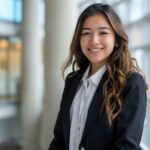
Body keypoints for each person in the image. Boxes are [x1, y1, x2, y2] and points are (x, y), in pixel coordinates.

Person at [49, 3, 148, 150]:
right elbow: (59, 138)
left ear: (116, 39)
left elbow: (126, 146)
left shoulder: (132, 83)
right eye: (86, 33)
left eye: (103, 33)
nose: (94, 40)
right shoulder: (72, 80)